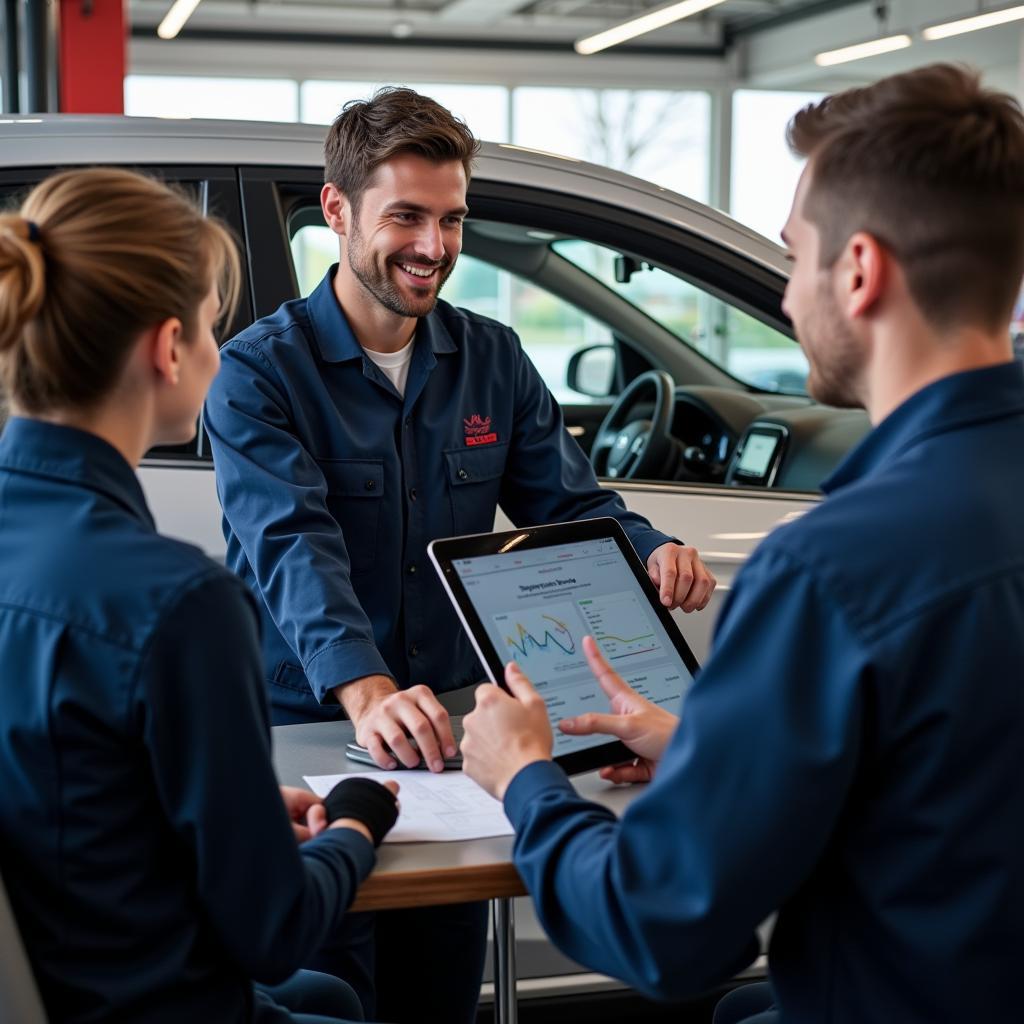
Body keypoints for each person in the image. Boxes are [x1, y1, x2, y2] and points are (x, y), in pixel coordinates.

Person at [459, 62, 1024, 1024]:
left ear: (858, 271)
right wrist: (701, 749)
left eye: (793, 256)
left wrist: (528, 779)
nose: (791, 295)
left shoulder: (833, 571)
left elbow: (663, 926)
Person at [203, 86, 716, 1022]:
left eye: (451, 219)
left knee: (439, 996)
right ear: (337, 210)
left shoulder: (493, 358)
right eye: (405, 215)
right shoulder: (255, 373)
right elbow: (289, 545)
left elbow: (570, 503)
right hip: (312, 744)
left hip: (448, 742)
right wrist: (366, 689)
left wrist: (650, 547)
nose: (433, 247)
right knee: (330, 993)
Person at [0, 168, 399, 1024]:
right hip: (150, 999)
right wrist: (358, 823)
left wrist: (240, 813)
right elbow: (273, 928)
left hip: (54, 968)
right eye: (216, 330)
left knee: (325, 996)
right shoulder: (178, 603)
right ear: (168, 346)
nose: (224, 357)